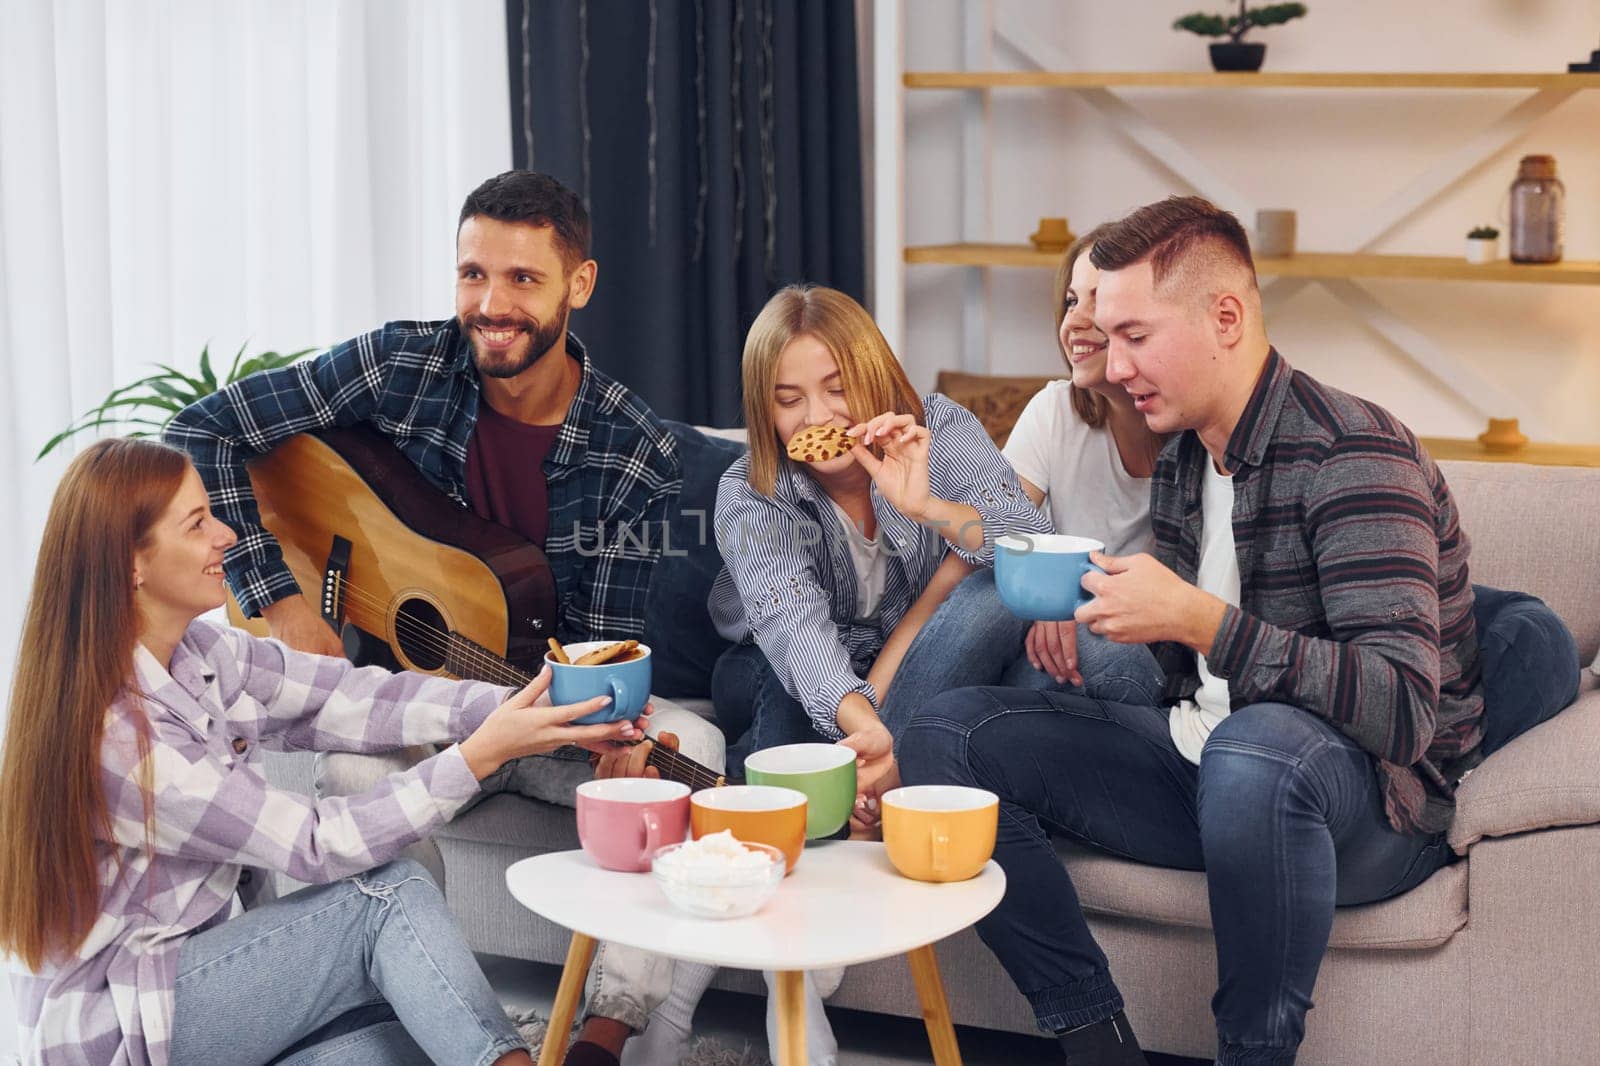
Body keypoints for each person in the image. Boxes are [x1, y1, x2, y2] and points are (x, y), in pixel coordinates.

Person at [897, 196, 1486, 1066]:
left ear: (1226, 316)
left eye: (1136, 334)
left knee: (1256, 749)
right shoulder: (1184, 453)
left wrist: (1203, 621)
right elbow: (1185, 673)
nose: (1113, 359)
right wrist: (1106, 615)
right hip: (1201, 762)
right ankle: (1095, 1038)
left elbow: (1403, 712)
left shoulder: (1354, 455)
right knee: (943, 736)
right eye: (1104, 330)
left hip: (1363, 807)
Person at [163, 169, 723, 1066]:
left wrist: (614, 723)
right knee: (349, 769)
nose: (490, 305)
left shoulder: (636, 450)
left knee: (690, 757)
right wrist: (284, 604)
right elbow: (203, 430)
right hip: (406, 705)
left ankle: (605, 1037)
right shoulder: (404, 366)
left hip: (538, 714)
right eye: (473, 275)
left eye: (522, 280)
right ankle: (434, 1015)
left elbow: (609, 639)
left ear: (579, 285)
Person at [0, 438, 645, 1066]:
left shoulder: (204, 654)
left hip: (196, 987)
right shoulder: (119, 738)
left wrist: (529, 703)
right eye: (197, 524)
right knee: (386, 897)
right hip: (129, 1028)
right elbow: (315, 845)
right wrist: (476, 756)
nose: (226, 534)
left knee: (427, 1016)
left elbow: (346, 695)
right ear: (130, 563)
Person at [615, 284, 1049, 1066]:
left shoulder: (940, 430)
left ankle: (789, 979)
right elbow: (792, 627)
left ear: (874, 375)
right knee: (786, 725)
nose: (817, 419)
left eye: (836, 388)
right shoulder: (751, 492)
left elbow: (1029, 542)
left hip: (910, 672)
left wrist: (922, 500)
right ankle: (704, 1005)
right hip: (770, 668)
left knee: (988, 598)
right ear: (764, 412)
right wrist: (862, 727)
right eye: (788, 400)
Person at [870, 227, 1169, 722]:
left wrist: (1066, 602)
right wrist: (871, 697)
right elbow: (973, 561)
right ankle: (892, 756)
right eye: (1072, 300)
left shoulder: (1193, 434)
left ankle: (896, 762)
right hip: (1050, 656)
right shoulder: (1056, 411)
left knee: (1016, 603)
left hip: (1139, 662)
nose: (1076, 320)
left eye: (1101, 299)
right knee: (992, 586)